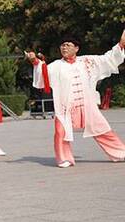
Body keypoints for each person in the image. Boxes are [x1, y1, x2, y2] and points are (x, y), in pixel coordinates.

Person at [27, 34, 125, 167]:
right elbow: (43, 77)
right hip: (65, 106)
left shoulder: (87, 61)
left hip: (87, 104)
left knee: (103, 130)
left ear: (76, 48)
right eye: (62, 45)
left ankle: (120, 152)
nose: (64, 47)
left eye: (68, 45)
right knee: (61, 132)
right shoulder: (56, 66)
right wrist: (35, 62)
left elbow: (108, 59)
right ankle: (64, 158)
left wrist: (121, 44)